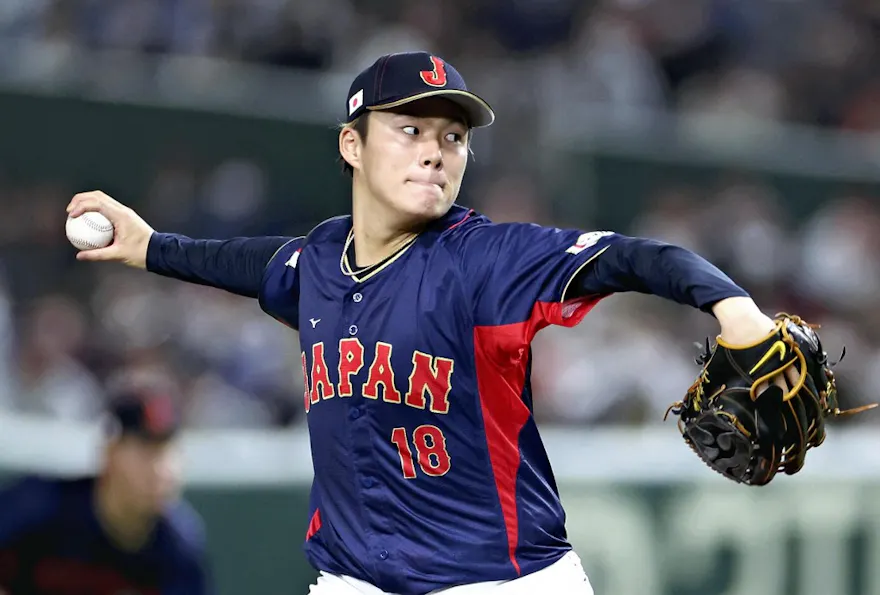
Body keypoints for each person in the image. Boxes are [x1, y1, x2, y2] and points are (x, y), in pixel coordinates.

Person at [66, 51, 787, 595]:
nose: (436, 150)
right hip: (355, 579)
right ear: (352, 145)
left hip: (499, 581)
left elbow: (630, 256)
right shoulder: (316, 262)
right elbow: (239, 261)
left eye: (453, 136)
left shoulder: (488, 260)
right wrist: (150, 246)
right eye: (410, 128)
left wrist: (732, 305)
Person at [0, 380, 212, 595]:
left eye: (168, 453)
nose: (162, 470)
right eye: (146, 452)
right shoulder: (41, 505)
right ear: (110, 453)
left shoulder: (179, 545)